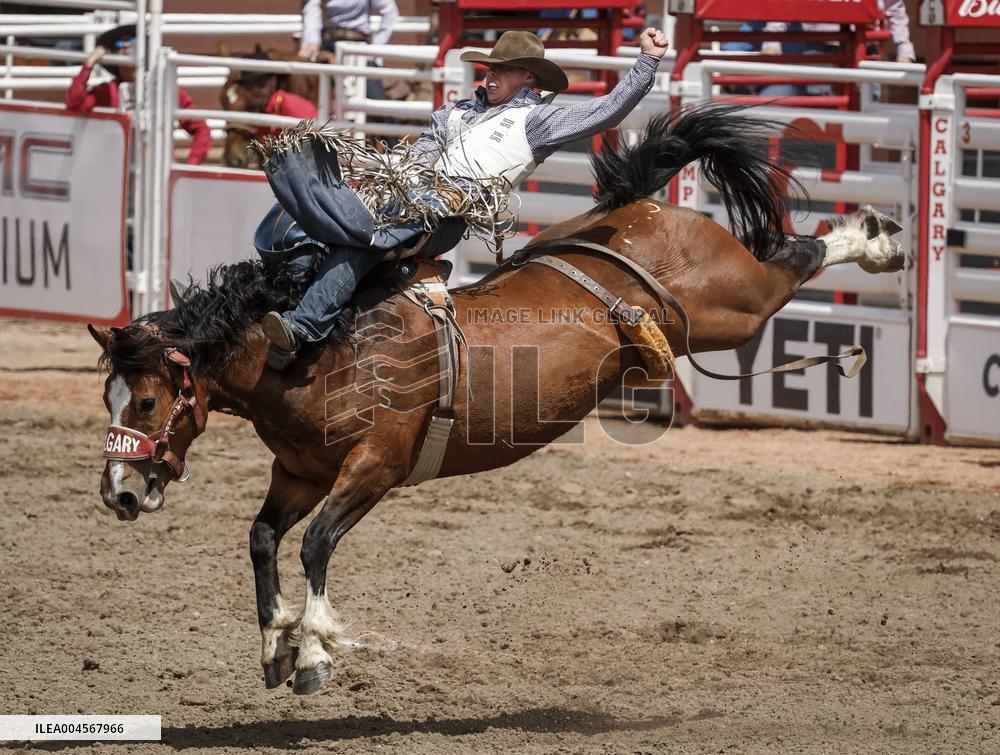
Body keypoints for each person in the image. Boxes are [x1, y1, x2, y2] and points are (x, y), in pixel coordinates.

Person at [258, 28, 669, 369]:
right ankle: (290, 290)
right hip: (402, 198)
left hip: (445, 217)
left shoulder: (538, 120)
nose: (490, 76)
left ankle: (303, 326)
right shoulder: (452, 113)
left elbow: (608, 111)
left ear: (529, 78)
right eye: (490, 69)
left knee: (370, 239)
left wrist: (647, 61)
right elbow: (418, 156)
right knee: (305, 214)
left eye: (503, 71)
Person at [66, 24, 211, 166]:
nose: (126, 46)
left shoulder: (165, 90)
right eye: (119, 44)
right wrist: (89, 64)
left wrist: (188, 168)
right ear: (114, 53)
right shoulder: (108, 91)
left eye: (133, 41)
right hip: (118, 172)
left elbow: (201, 129)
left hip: (158, 175)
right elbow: (74, 103)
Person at [235, 51, 319, 141]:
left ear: (273, 82)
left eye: (260, 83)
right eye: (248, 85)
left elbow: (315, 143)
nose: (255, 90)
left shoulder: (292, 106)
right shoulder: (257, 112)